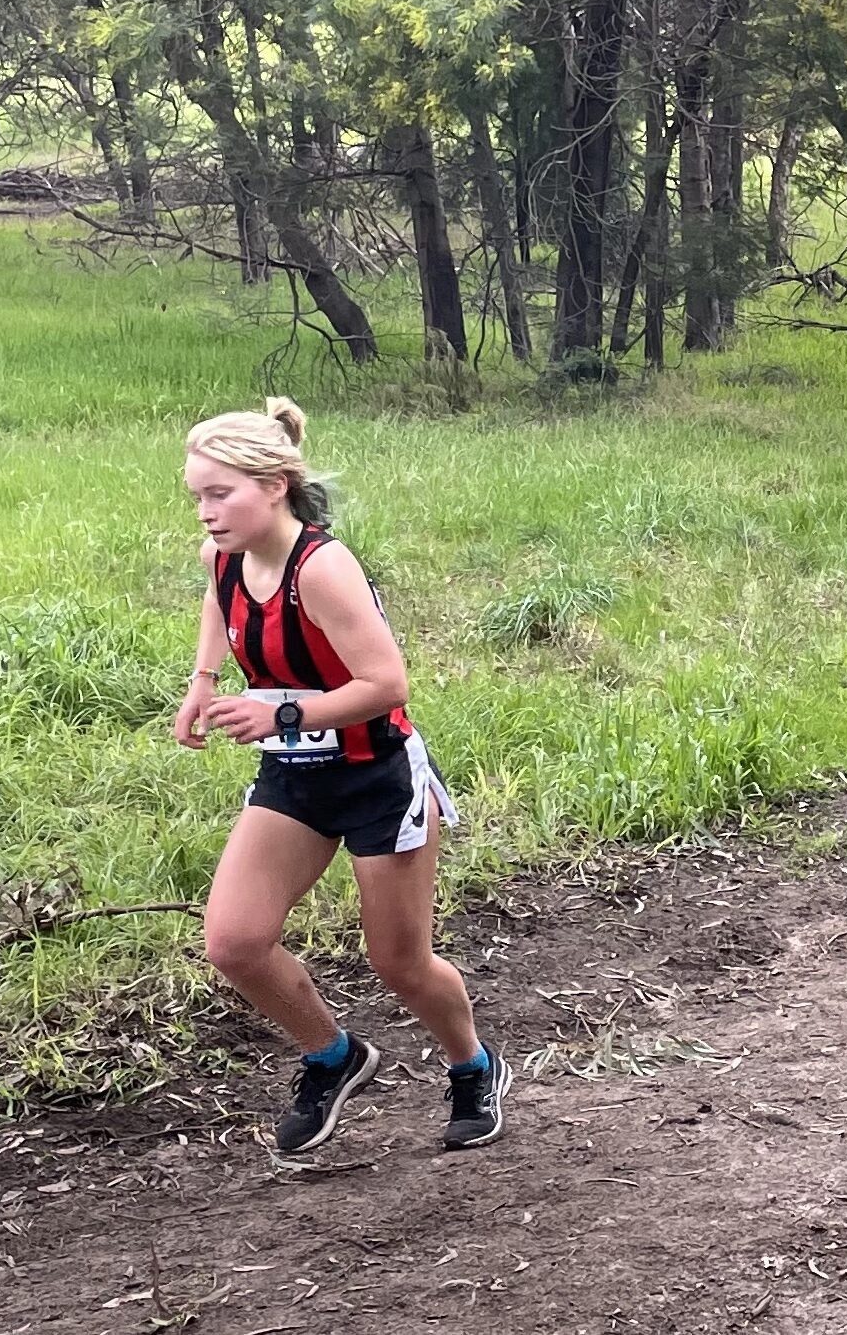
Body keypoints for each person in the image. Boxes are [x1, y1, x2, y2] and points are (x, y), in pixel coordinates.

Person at [174, 398, 510, 1153]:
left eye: (218, 493)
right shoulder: (222, 556)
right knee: (234, 942)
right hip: (295, 780)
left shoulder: (322, 569)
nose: (204, 512)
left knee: (399, 962)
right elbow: (215, 600)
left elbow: (388, 684)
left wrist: (281, 717)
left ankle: (472, 1066)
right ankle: (333, 1056)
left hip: (375, 777)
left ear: (273, 484)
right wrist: (203, 678)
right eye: (196, 495)